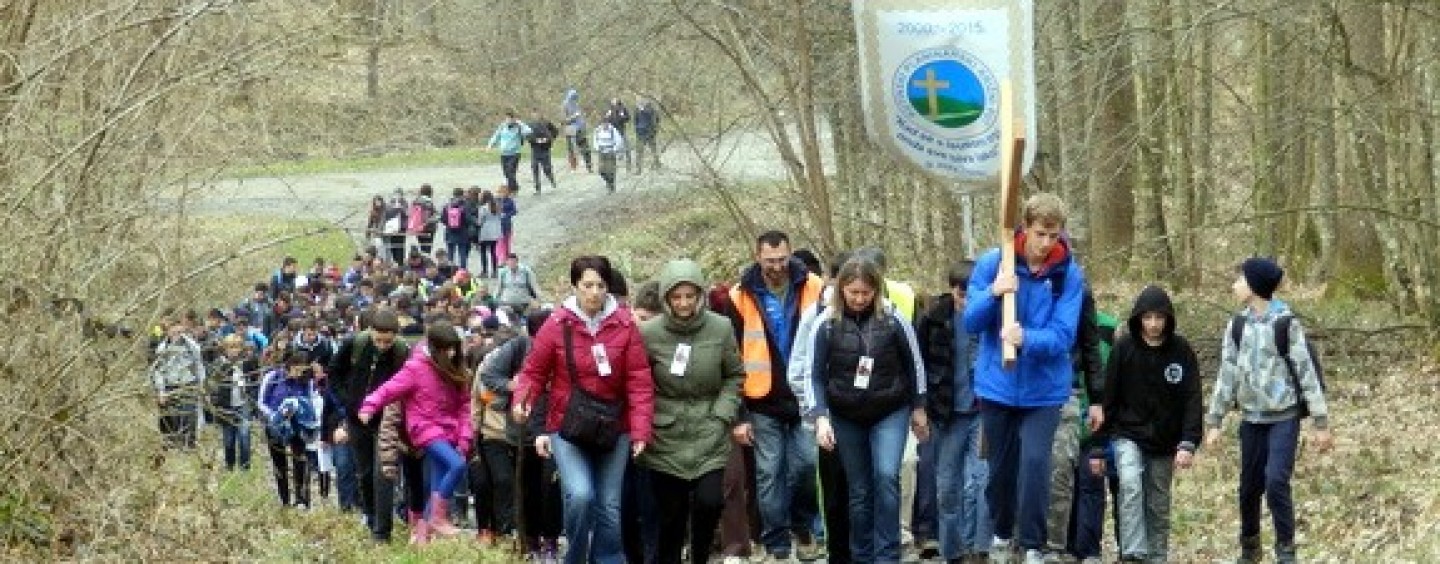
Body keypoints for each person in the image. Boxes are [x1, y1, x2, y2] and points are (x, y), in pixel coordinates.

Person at [962, 193, 1086, 564]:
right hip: (997, 385)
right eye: (1039, 234)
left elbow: (1064, 335)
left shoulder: (1068, 274)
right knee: (999, 471)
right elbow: (971, 321)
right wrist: (994, 293)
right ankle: (1002, 533)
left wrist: (1026, 339)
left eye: (1053, 235)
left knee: (1035, 465)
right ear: (1025, 229)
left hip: (1044, 389)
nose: (1046, 244)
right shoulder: (995, 262)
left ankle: (1033, 544)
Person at [511, 256, 656, 564]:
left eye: (600, 286)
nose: (594, 292)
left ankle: (608, 559)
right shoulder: (557, 324)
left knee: (610, 505)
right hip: (567, 424)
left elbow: (639, 380)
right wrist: (522, 401)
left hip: (615, 425)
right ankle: (575, 558)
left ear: (609, 289)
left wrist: (641, 430)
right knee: (579, 495)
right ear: (575, 286)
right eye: (587, 285)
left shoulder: (626, 324)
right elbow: (534, 372)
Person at [1204, 257, 1333, 564]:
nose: (1234, 285)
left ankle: (1286, 549)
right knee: (1249, 487)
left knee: (1276, 480)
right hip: (1250, 419)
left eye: (1240, 279)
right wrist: (1215, 420)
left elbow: (1306, 373)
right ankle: (1250, 547)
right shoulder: (1236, 326)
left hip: (1284, 418)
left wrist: (1321, 422)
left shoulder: (1286, 325)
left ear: (1255, 286)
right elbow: (1227, 374)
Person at [810, 257, 929, 563]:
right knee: (859, 489)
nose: (860, 299)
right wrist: (820, 417)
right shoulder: (825, 323)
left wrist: (918, 407)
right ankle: (861, 554)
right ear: (842, 290)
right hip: (845, 413)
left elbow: (914, 363)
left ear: (876, 291)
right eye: (854, 293)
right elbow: (815, 374)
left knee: (887, 476)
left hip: (890, 409)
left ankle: (887, 554)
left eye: (866, 293)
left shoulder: (893, 319)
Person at [727, 231, 826, 562]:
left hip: (804, 395)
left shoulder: (815, 286)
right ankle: (776, 539)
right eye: (770, 261)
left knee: (805, 465)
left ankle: (805, 527)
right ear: (758, 257)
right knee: (770, 473)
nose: (777, 266)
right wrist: (739, 414)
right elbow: (731, 357)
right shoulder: (739, 295)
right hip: (762, 398)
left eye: (782, 259)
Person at [638, 259, 745, 564]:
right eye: (676, 297)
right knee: (671, 515)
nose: (684, 303)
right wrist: (647, 422)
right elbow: (639, 382)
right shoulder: (649, 333)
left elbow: (735, 375)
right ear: (666, 299)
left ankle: (700, 556)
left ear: (700, 296)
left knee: (710, 502)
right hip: (665, 434)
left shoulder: (720, 327)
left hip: (709, 429)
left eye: (690, 296)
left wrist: (722, 413)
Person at [1084, 285, 1201, 563]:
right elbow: (1108, 400)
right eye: (1147, 318)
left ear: (1168, 319)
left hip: (1165, 439)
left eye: (1159, 318)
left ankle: (1157, 554)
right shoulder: (1124, 347)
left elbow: (1193, 399)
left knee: (1158, 500)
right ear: (1138, 319)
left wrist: (1188, 442)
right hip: (1128, 434)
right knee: (1131, 485)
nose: (1153, 325)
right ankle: (1133, 552)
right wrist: (1099, 447)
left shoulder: (1181, 351)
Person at [359, 320, 475, 541]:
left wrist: (465, 437)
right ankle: (438, 519)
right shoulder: (416, 367)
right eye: (446, 349)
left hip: (450, 429)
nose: (450, 354)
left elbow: (465, 406)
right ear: (435, 348)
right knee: (457, 465)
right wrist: (369, 405)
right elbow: (389, 389)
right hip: (424, 427)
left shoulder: (458, 369)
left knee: (436, 484)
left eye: (453, 349)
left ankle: (423, 536)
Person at [917, 260, 992, 563]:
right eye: (962, 295)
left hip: (983, 411)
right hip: (947, 413)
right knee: (948, 485)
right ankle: (953, 551)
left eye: (972, 295)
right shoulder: (933, 319)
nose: (966, 302)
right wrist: (920, 407)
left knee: (983, 480)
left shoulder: (990, 317)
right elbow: (918, 365)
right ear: (952, 290)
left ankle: (980, 548)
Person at [329, 309, 412, 542]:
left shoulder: (402, 352)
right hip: (357, 420)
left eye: (388, 341)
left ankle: (382, 531)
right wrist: (348, 403)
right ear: (370, 332)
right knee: (365, 473)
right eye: (379, 340)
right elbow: (334, 374)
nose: (383, 345)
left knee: (384, 472)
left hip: (386, 420)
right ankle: (371, 514)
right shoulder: (354, 345)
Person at [259, 352, 327, 508]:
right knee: (279, 463)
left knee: (300, 461)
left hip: (298, 427)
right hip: (276, 426)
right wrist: (276, 415)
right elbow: (262, 402)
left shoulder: (307, 382)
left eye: (303, 370)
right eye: (297, 369)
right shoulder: (273, 377)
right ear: (290, 364)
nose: (299, 373)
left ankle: (301, 500)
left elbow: (310, 402)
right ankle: (284, 499)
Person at [209, 334, 262, 471]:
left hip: (243, 404)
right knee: (229, 440)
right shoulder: (220, 364)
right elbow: (213, 386)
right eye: (231, 348)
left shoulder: (247, 362)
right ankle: (230, 465)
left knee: (244, 436)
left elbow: (255, 381)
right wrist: (216, 405)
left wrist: (252, 399)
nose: (234, 350)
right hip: (226, 405)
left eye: (237, 347)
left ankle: (245, 467)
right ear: (225, 349)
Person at [151, 319, 206, 449]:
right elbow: (158, 372)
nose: (177, 335)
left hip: (189, 384)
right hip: (170, 385)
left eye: (180, 332)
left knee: (189, 415)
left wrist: (201, 384)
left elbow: (199, 366)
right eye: (174, 332)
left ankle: (189, 446)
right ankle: (172, 446)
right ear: (168, 332)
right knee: (171, 417)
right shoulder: (162, 348)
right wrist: (161, 391)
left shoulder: (192, 346)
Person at [488, 112, 533, 192]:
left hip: (514, 154)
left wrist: (520, 123)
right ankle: (515, 187)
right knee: (506, 173)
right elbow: (496, 135)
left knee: (510, 171)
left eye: (510, 118)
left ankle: (511, 189)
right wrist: (490, 145)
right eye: (507, 118)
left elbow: (529, 131)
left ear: (514, 119)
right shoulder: (502, 126)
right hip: (504, 154)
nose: (508, 120)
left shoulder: (519, 127)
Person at [528, 110, 560, 194]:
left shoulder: (546, 123)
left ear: (540, 115)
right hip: (535, 150)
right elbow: (527, 136)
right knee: (534, 168)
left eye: (536, 115)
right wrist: (534, 140)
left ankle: (552, 179)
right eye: (533, 115)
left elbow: (555, 131)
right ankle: (537, 188)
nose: (535, 117)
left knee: (547, 169)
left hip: (545, 150)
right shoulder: (529, 125)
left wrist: (550, 139)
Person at [562, 88, 592, 172]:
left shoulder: (576, 104)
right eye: (573, 97)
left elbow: (581, 117)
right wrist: (574, 116)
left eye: (575, 97)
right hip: (570, 128)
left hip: (580, 128)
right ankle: (573, 167)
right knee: (571, 148)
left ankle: (589, 166)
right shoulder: (565, 105)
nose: (574, 99)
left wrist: (584, 124)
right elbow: (564, 120)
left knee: (585, 147)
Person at [442, 187, 473, 270]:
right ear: (462, 194)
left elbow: (443, 219)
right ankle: (462, 270)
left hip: (450, 231)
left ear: (453, 194)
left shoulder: (447, 205)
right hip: (462, 232)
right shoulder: (465, 205)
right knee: (462, 252)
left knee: (450, 253)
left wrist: (449, 224)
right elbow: (468, 219)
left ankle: (450, 270)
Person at [475, 191, 503, 278]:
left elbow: (480, 221)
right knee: (493, 252)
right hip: (495, 231)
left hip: (485, 232)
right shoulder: (497, 206)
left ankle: (485, 271)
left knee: (483, 252)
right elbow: (500, 217)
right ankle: (495, 271)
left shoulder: (483, 208)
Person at [592, 118, 625, 193]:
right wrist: (597, 148)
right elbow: (595, 141)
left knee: (611, 171)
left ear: (608, 123)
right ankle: (609, 183)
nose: (605, 125)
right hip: (601, 152)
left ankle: (611, 186)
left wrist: (614, 149)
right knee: (601, 171)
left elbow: (619, 141)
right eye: (603, 124)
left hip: (610, 152)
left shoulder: (613, 130)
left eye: (606, 124)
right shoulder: (597, 130)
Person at [408, 184, 439, 256]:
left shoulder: (415, 201)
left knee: (422, 246)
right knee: (427, 248)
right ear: (430, 192)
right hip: (429, 228)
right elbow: (430, 216)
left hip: (418, 227)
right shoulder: (428, 202)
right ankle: (425, 263)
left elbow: (410, 213)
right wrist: (436, 218)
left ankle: (421, 260)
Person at [604, 97, 632, 173]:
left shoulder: (622, 108)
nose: (613, 101)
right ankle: (613, 166)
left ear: (618, 101)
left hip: (621, 131)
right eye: (612, 100)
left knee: (627, 148)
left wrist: (622, 116)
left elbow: (628, 118)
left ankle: (628, 166)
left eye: (615, 100)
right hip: (612, 133)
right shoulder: (609, 109)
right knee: (612, 150)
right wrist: (606, 117)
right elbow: (606, 120)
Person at [633, 99, 660, 173]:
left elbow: (656, 120)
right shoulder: (637, 110)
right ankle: (638, 169)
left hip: (650, 133)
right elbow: (635, 120)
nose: (642, 103)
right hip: (640, 134)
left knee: (653, 151)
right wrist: (637, 129)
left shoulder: (652, 110)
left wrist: (654, 131)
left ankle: (657, 166)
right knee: (639, 152)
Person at [495, 186, 519, 268]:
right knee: (499, 243)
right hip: (497, 225)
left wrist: (507, 215)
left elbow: (515, 211)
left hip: (507, 224)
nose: (501, 194)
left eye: (503, 192)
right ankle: (500, 260)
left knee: (507, 243)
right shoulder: (495, 201)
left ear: (507, 193)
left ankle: (507, 259)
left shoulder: (510, 201)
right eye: (499, 192)